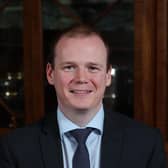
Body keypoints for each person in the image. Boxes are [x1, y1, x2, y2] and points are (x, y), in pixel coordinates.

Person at [0, 24, 166, 168]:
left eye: (93, 68)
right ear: (50, 74)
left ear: (108, 75)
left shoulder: (147, 144)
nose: (81, 78)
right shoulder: (15, 148)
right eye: (69, 67)